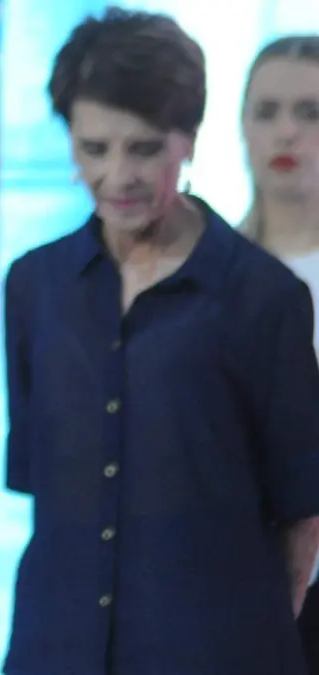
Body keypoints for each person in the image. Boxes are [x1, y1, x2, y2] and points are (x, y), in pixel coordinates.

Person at [3, 8, 319, 675]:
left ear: (190, 139)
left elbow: (301, 515)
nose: (118, 175)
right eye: (94, 148)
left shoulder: (266, 297)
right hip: (55, 648)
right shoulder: (35, 285)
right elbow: (42, 486)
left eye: (144, 148)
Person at [237, 35, 319, 674]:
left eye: (310, 112)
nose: (286, 131)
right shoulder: (202, 275)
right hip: (233, 582)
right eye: (266, 112)